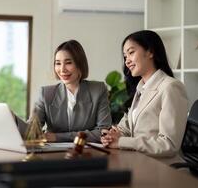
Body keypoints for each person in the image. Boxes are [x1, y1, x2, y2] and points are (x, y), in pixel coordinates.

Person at [101, 30, 188, 164]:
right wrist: (111, 136)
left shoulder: (171, 87)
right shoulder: (140, 89)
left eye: (131, 52)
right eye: (125, 56)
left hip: (163, 168)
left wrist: (122, 141)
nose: (127, 61)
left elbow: (168, 144)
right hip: (138, 161)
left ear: (150, 52)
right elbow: (126, 128)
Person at [19, 40, 112, 143]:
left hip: (88, 154)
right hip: (54, 155)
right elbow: (31, 130)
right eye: (58, 63)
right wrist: (13, 119)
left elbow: (104, 132)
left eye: (68, 63)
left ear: (80, 64)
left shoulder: (98, 90)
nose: (62, 69)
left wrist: (57, 137)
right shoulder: (46, 94)